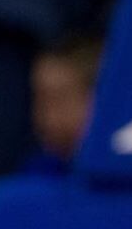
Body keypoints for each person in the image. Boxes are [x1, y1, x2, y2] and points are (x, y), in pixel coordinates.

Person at [23, 37, 103, 175]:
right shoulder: (38, 171)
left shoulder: (127, 175)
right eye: (41, 99)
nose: (46, 115)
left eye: (59, 99)